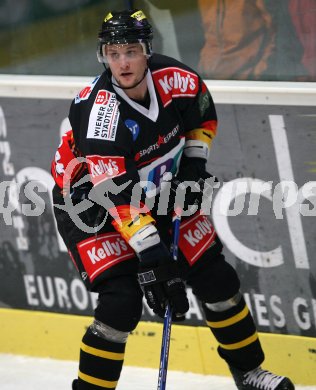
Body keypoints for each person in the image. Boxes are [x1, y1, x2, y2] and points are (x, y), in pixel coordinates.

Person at [51, 9, 295, 390]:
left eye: (130, 50)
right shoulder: (99, 117)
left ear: (147, 49)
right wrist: (153, 255)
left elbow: (202, 116)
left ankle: (248, 373)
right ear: (103, 56)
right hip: (91, 204)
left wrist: (194, 166)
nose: (122, 62)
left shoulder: (178, 79)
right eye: (112, 54)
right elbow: (117, 196)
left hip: (157, 190)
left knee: (217, 277)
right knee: (122, 302)